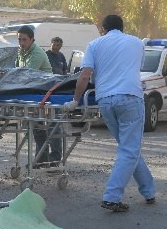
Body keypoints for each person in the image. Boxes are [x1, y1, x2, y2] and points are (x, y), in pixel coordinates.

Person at [65, 15, 155, 212]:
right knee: (129, 149)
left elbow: (84, 76)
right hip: (130, 97)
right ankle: (112, 197)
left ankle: (149, 191)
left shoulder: (94, 44)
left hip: (105, 100)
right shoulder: (136, 43)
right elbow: (136, 67)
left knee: (127, 148)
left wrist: (74, 101)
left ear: (103, 28)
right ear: (122, 28)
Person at [15, 26, 56, 165]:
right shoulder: (21, 52)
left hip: (46, 94)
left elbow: (26, 74)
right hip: (33, 93)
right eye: (19, 39)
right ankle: (41, 160)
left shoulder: (37, 54)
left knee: (51, 128)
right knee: (37, 128)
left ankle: (54, 160)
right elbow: (16, 72)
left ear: (32, 40)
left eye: (24, 40)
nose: (21, 43)